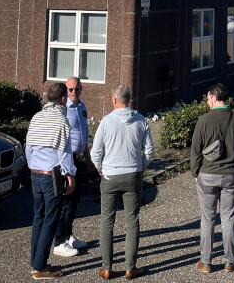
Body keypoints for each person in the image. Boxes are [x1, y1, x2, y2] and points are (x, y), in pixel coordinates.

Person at [90, 84, 153, 280]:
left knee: (107, 222)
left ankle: (107, 267)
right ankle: (130, 267)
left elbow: (95, 152)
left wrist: (100, 168)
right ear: (129, 100)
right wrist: (143, 165)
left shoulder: (106, 122)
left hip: (110, 175)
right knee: (131, 222)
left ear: (114, 99)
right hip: (133, 174)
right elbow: (149, 150)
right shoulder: (141, 120)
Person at [190, 83, 234, 273]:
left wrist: (195, 172)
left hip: (207, 175)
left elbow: (195, 150)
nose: (207, 102)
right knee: (228, 217)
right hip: (231, 175)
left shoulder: (204, 120)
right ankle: (230, 261)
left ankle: (206, 262)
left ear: (214, 98)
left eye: (208, 98)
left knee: (207, 219)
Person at [25, 83, 77, 280]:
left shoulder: (37, 117)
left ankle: (36, 262)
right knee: (51, 219)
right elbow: (64, 154)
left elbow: (28, 147)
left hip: (35, 172)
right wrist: (70, 176)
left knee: (38, 217)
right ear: (63, 99)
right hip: (51, 175)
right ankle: (40, 268)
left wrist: (32, 167)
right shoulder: (62, 121)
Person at [52, 76, 89, 257]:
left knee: (74, 201)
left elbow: (84, 135)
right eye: (71, 90)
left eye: (77, 89)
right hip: (65, 160)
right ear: (66, 91)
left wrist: (89, 159)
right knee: (65, 201)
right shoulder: (62, 110)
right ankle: (59, 241)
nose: (74, 93)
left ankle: (69, 235)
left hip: (77, 160)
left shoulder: (82, 107)